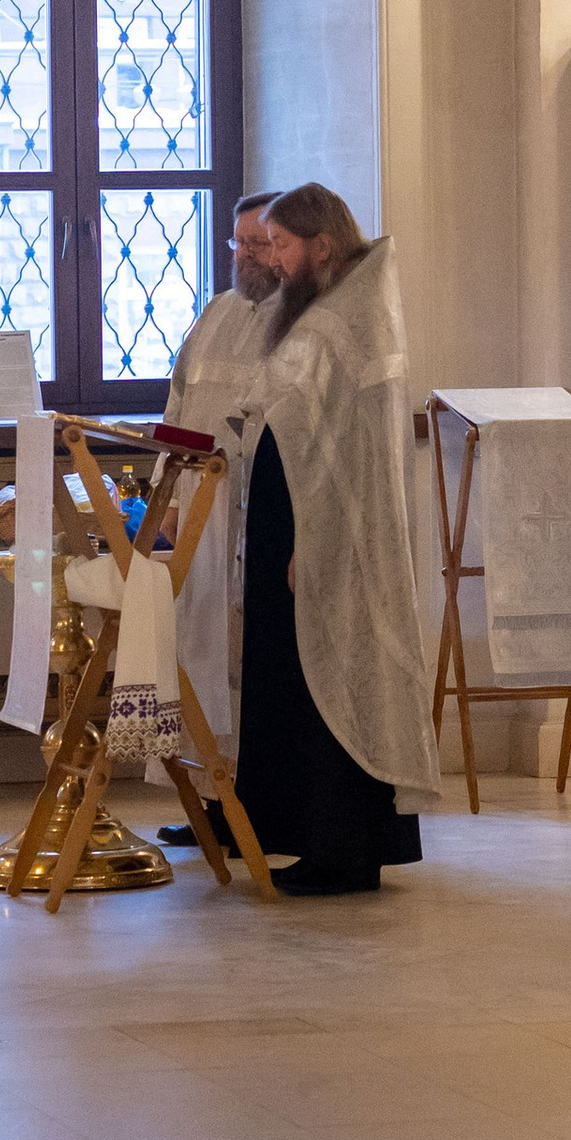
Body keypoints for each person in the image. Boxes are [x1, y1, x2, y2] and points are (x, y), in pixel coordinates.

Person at [235, 183, 437, 895]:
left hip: (325, 528)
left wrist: (311, 541)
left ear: (320, 244)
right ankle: (311, 834)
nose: (275, 259)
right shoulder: (329, 307)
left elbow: (341, 451)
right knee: (298, 675)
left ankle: (344, 846)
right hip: (298, 520)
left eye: (283, 245)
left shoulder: (347, 320)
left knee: (332, 675)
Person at [156, 193, 279, 848]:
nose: (244, 256)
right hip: (204, 522)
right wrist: (167, 498)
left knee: (247, 663)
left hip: (256, 516)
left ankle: (257, 802)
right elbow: (180, 403)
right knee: (200, 653)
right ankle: (209, 797)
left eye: (258, 244)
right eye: (237, 243)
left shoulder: (301, 322)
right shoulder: (215, 315)